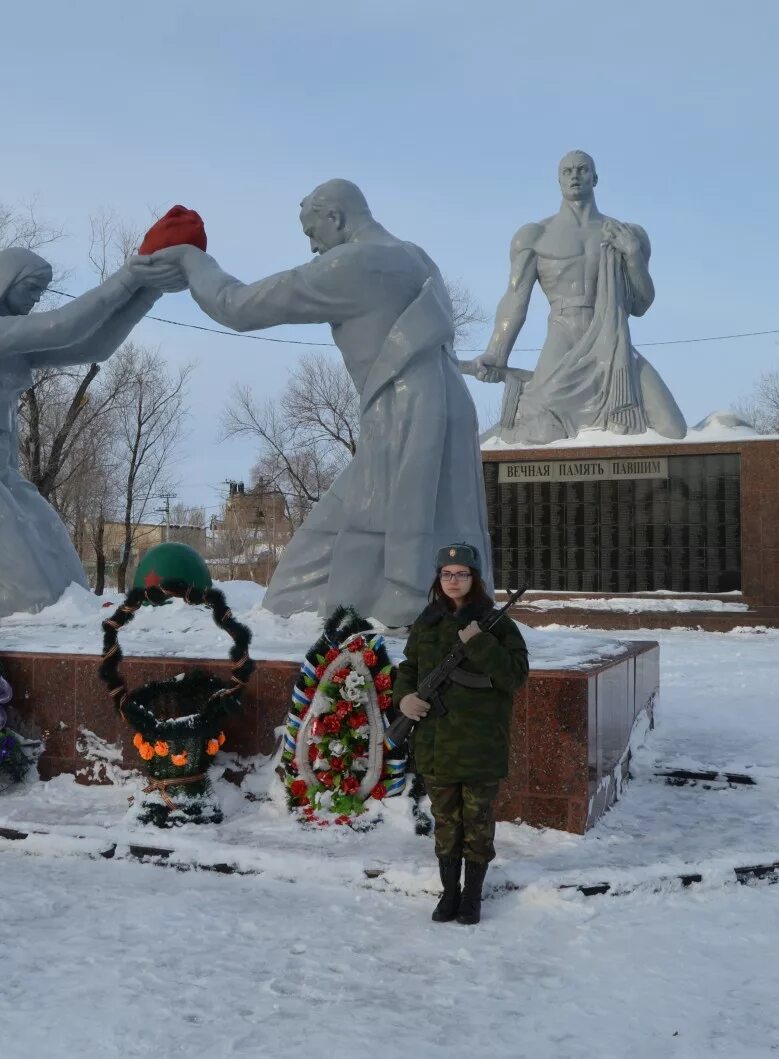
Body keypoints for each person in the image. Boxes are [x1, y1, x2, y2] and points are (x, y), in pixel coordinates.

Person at [151, 179, 490, 627]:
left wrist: (193, 261)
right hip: (448, 407)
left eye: (312, 232)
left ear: (336, 217)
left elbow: (238, 306)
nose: (312, 247)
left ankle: (393, 621)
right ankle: (422, 615)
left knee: (301, 586)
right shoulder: (417, 257)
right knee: (430, 525)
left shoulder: (349, 266)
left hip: (402, 411)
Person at [0, 248, 181, 616]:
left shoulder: (11, 342)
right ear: (5, 282)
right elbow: (63, 326)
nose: (36, 298)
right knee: (35, 595)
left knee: (67, 583)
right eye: (32, 288)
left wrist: (148, 292)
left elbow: (94, 346)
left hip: (2, 474)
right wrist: (129, 277)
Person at [472, 150, 686, 443]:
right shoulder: (535, 236)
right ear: (558, 180)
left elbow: (640, 305)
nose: (574, 175)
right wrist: (496, 353)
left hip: (613, 343)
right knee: (538, 427)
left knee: (673, 428)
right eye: (567, 171)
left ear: (595, 178)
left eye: (582, 169)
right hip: (563, 337)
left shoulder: (626, 233)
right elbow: (514, 299)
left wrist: (633, 255)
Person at [393, 543, 529, 925]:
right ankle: (448, 893)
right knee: (446, 823)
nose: (454, 581)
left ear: (475, 579)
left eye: (462, 574)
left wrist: (480, 643)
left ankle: (472, 897)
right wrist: (403, 699)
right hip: (436, 743)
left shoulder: (497, 624)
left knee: (478, 824)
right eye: (447, 574)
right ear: (438, 579)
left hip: (480, 744)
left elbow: (515, 676)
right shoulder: (427, 621)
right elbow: (409, 666)